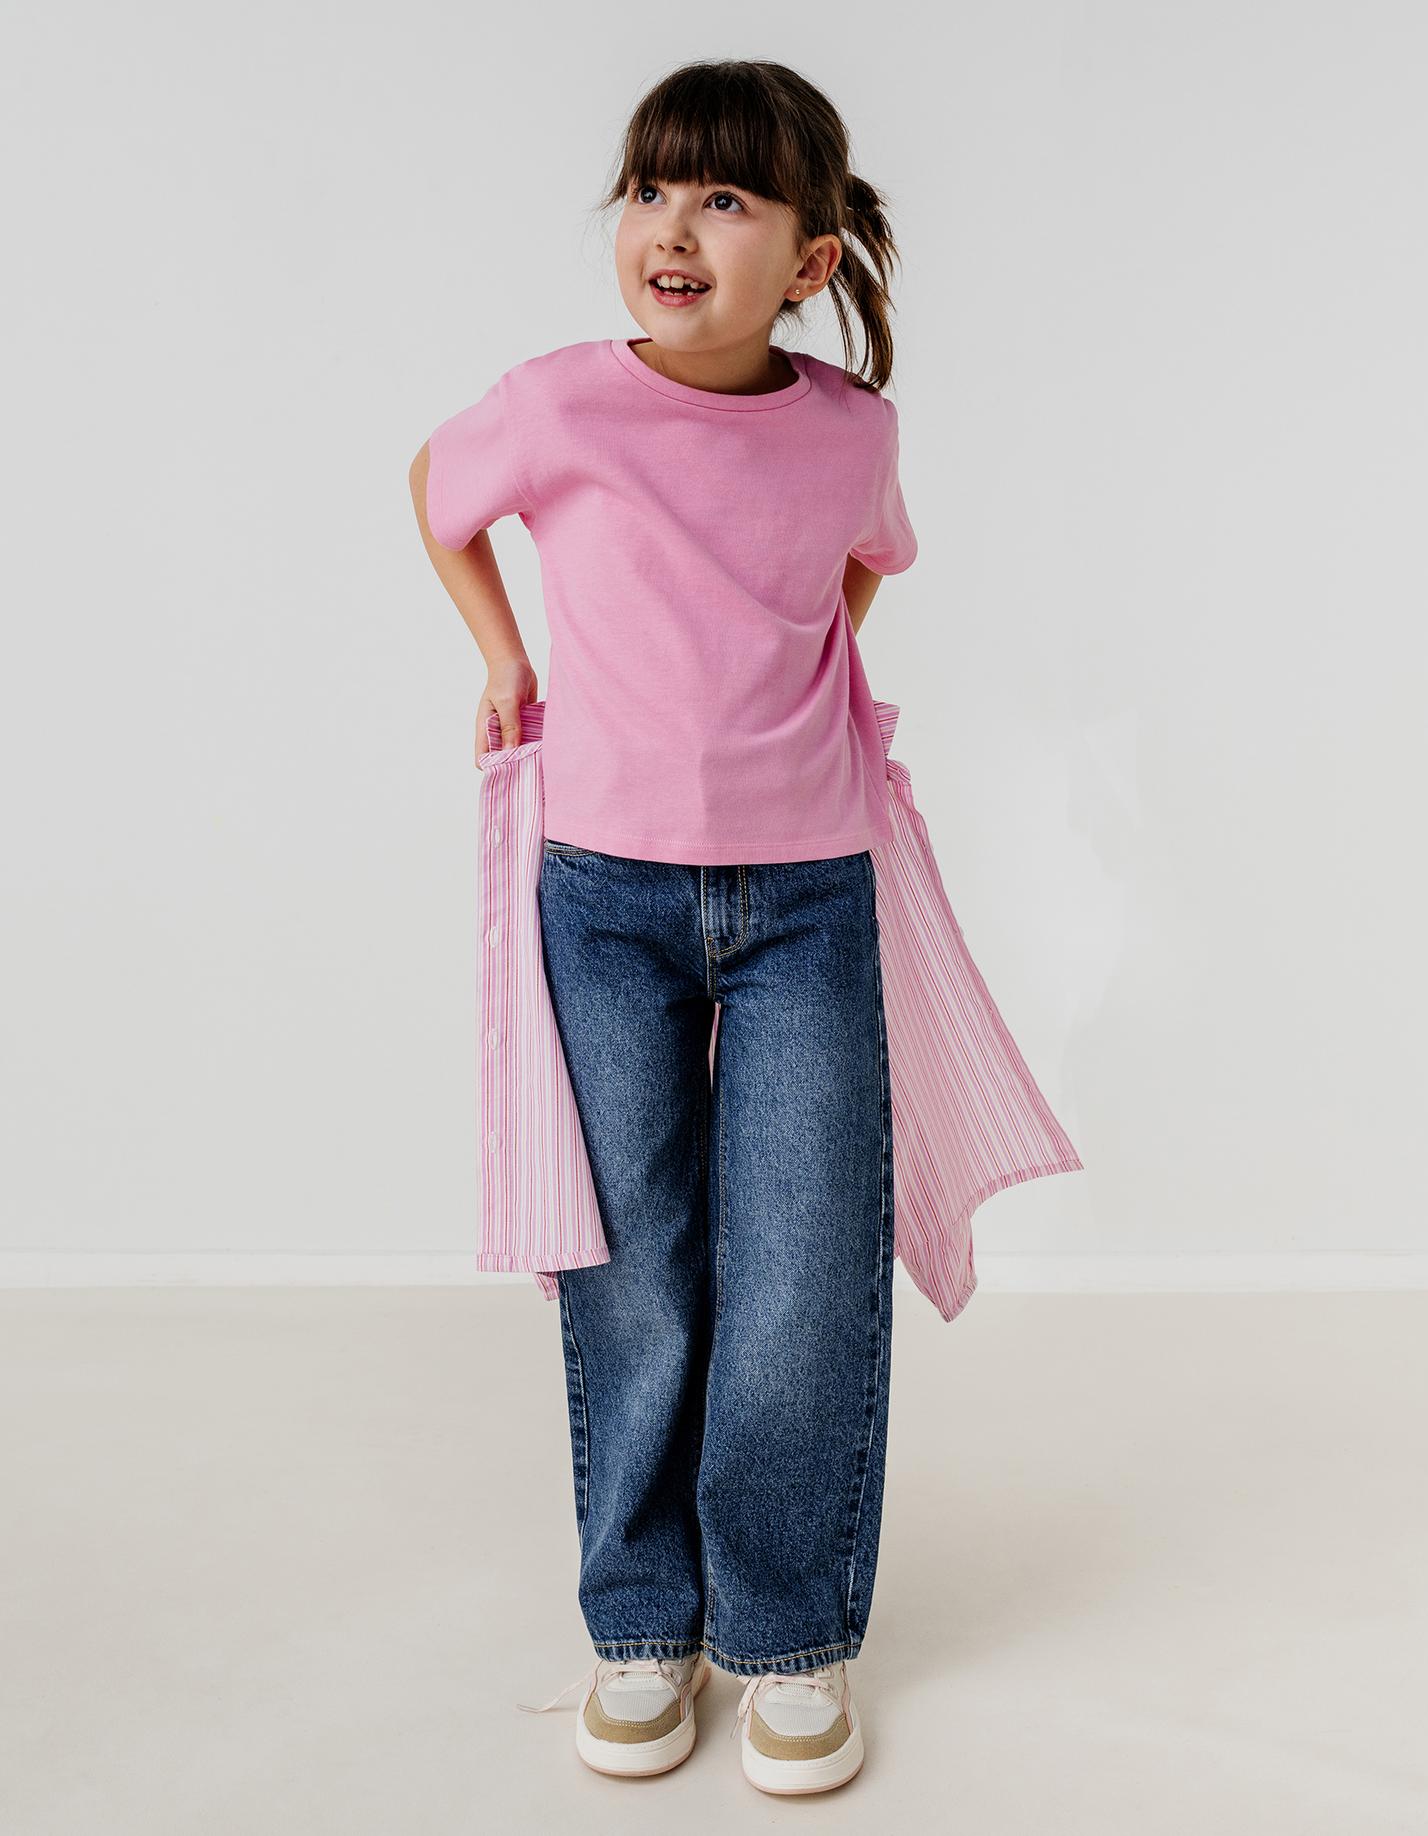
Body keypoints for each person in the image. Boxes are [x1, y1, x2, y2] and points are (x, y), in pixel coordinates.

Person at [408, 58, 919, 1796]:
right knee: (631, 1271)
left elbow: (860, 563)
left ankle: (784, 1631)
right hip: (603, 891)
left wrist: (789, 677)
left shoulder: (851, 432)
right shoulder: (561, 404)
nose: (671, 228)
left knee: (798, 1273)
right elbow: (435, 489)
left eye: (723, 197)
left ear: (811, 258)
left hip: (806, 897)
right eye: (648, 190)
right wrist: (505, 656)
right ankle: (642, 1620)